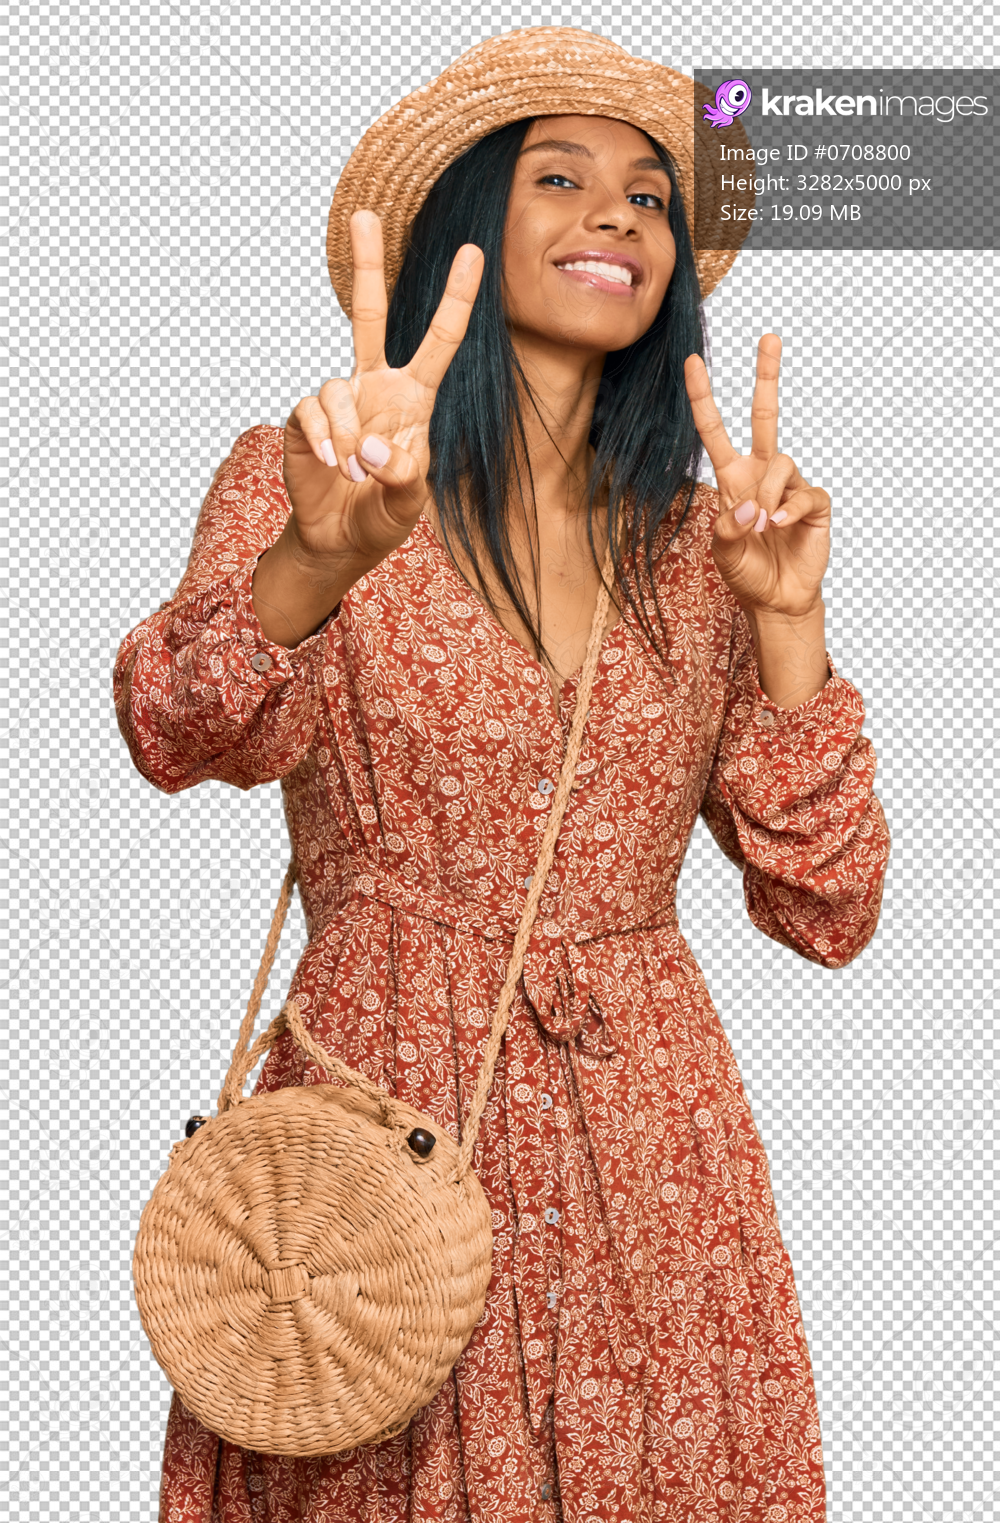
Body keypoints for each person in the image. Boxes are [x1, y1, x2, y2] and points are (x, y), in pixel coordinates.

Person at [114, 27, 890, 1523]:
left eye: (651, 197)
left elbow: (831, 905)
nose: (617, 214)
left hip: (652, 1151)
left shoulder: (705, 539)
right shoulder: (313, 471)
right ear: (469, 223)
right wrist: (317, 556)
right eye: (562, 178)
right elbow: (171, 725)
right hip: (376, 1122)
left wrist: (789, 620)